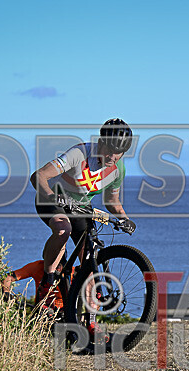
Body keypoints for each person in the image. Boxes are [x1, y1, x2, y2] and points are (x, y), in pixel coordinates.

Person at [30, 118, 136, 313]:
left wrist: (125, 219)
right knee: (64, 230)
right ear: (101, 142)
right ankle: (48, 279)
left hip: (80, 208)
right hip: (52, 200)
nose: (113, 157)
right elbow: (38, 176)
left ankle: (88, 323)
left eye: (118, 153)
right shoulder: (79, 153)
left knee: (89, 261)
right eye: (109, 150)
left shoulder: (118, 170)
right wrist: (54, 197)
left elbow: (112, 201)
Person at [0, 260, 64, 315]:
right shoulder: (38, 266)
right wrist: (6, 292)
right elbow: (7, 277)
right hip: (40, 312)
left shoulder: (70, 274)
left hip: (63, 315)